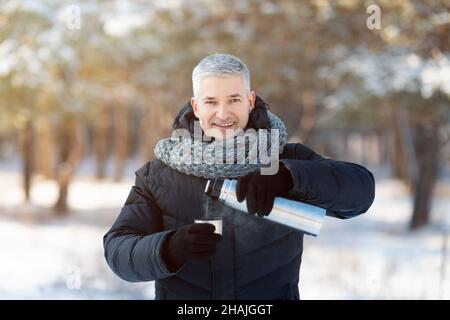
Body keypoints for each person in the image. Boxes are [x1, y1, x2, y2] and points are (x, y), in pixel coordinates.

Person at [103, 53, 375, 300]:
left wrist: (290, 177)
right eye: (211, 102)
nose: (223, 114)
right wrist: (167, 248)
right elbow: (118, 251)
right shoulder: (159, 175)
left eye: (234, 99)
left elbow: (361, 193)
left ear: (250, 101)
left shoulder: (285, 160)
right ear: (196, 107)